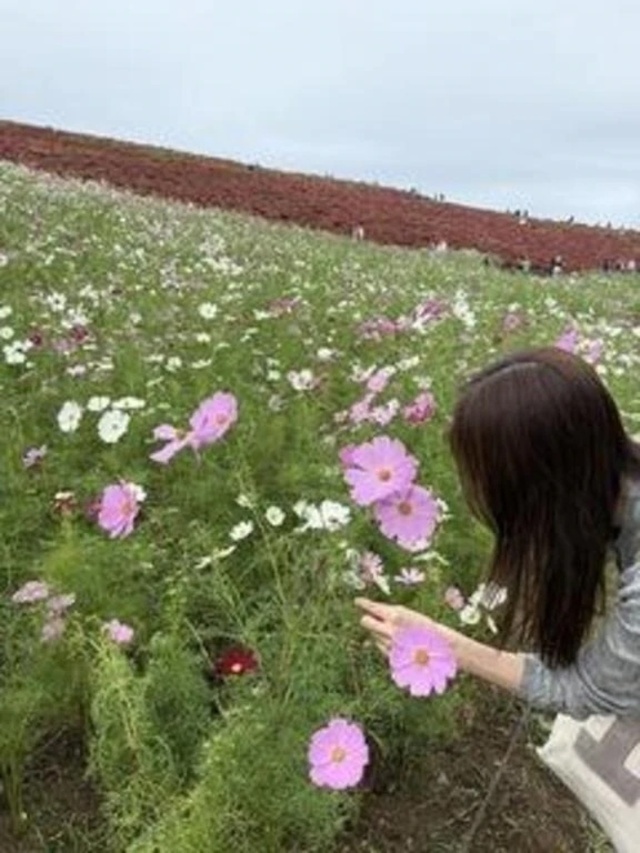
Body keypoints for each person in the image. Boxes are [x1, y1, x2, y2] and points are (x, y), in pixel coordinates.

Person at [357, 346, 640, 719]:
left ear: (539, 488)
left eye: (490, 483)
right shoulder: (614, 476)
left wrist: (446, 646)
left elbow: (590, 690)